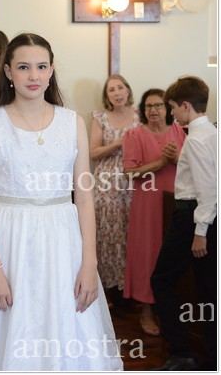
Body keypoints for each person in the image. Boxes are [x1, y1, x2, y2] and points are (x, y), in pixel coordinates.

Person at [0, 33, 122, 370]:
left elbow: (84, 197)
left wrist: (89, 263)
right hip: (7, 239)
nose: (33, 76)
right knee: (4, 332)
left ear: (51, 70)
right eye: (23, 67)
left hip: (63, 240)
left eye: (41, 67)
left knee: (65, 327)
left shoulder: (72, 121)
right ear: (8, 71)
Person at [151, 76, 217, 371]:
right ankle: (212, 357)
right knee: (207, 289)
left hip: (192, 217)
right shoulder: (212, 132)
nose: (172, 113)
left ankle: (181, 352)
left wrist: (200, 231)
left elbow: (208, 189)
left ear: (186, 106)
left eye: (173, 107)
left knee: (161, 280)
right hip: (202, 217)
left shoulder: (197, 139)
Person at [122, 89, 185, 336]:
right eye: (148, 106)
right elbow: (129, 172)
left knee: (173, 254)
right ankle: (146, 311)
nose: (153, 110)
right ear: (143, 110)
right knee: (148, 254)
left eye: (158, 105)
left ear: (167, 108)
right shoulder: (134, 135)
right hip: (147, 204)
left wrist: (177, 158)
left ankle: (170, 310)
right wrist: (160, 163)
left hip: (176, 202)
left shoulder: (178, 131)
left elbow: (191, 163)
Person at [89, 74, 139, 298]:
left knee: (131, 233)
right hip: (106, 183)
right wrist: (119, 142)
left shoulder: (140, 115)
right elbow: (93, 152)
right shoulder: (100, 118)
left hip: (135, 181)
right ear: (106, 96)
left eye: (120, 88)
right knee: (107, 234)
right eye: (111, 90)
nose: (117, 93)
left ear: (128, 90)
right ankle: (106, 290)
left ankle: (131, 288)